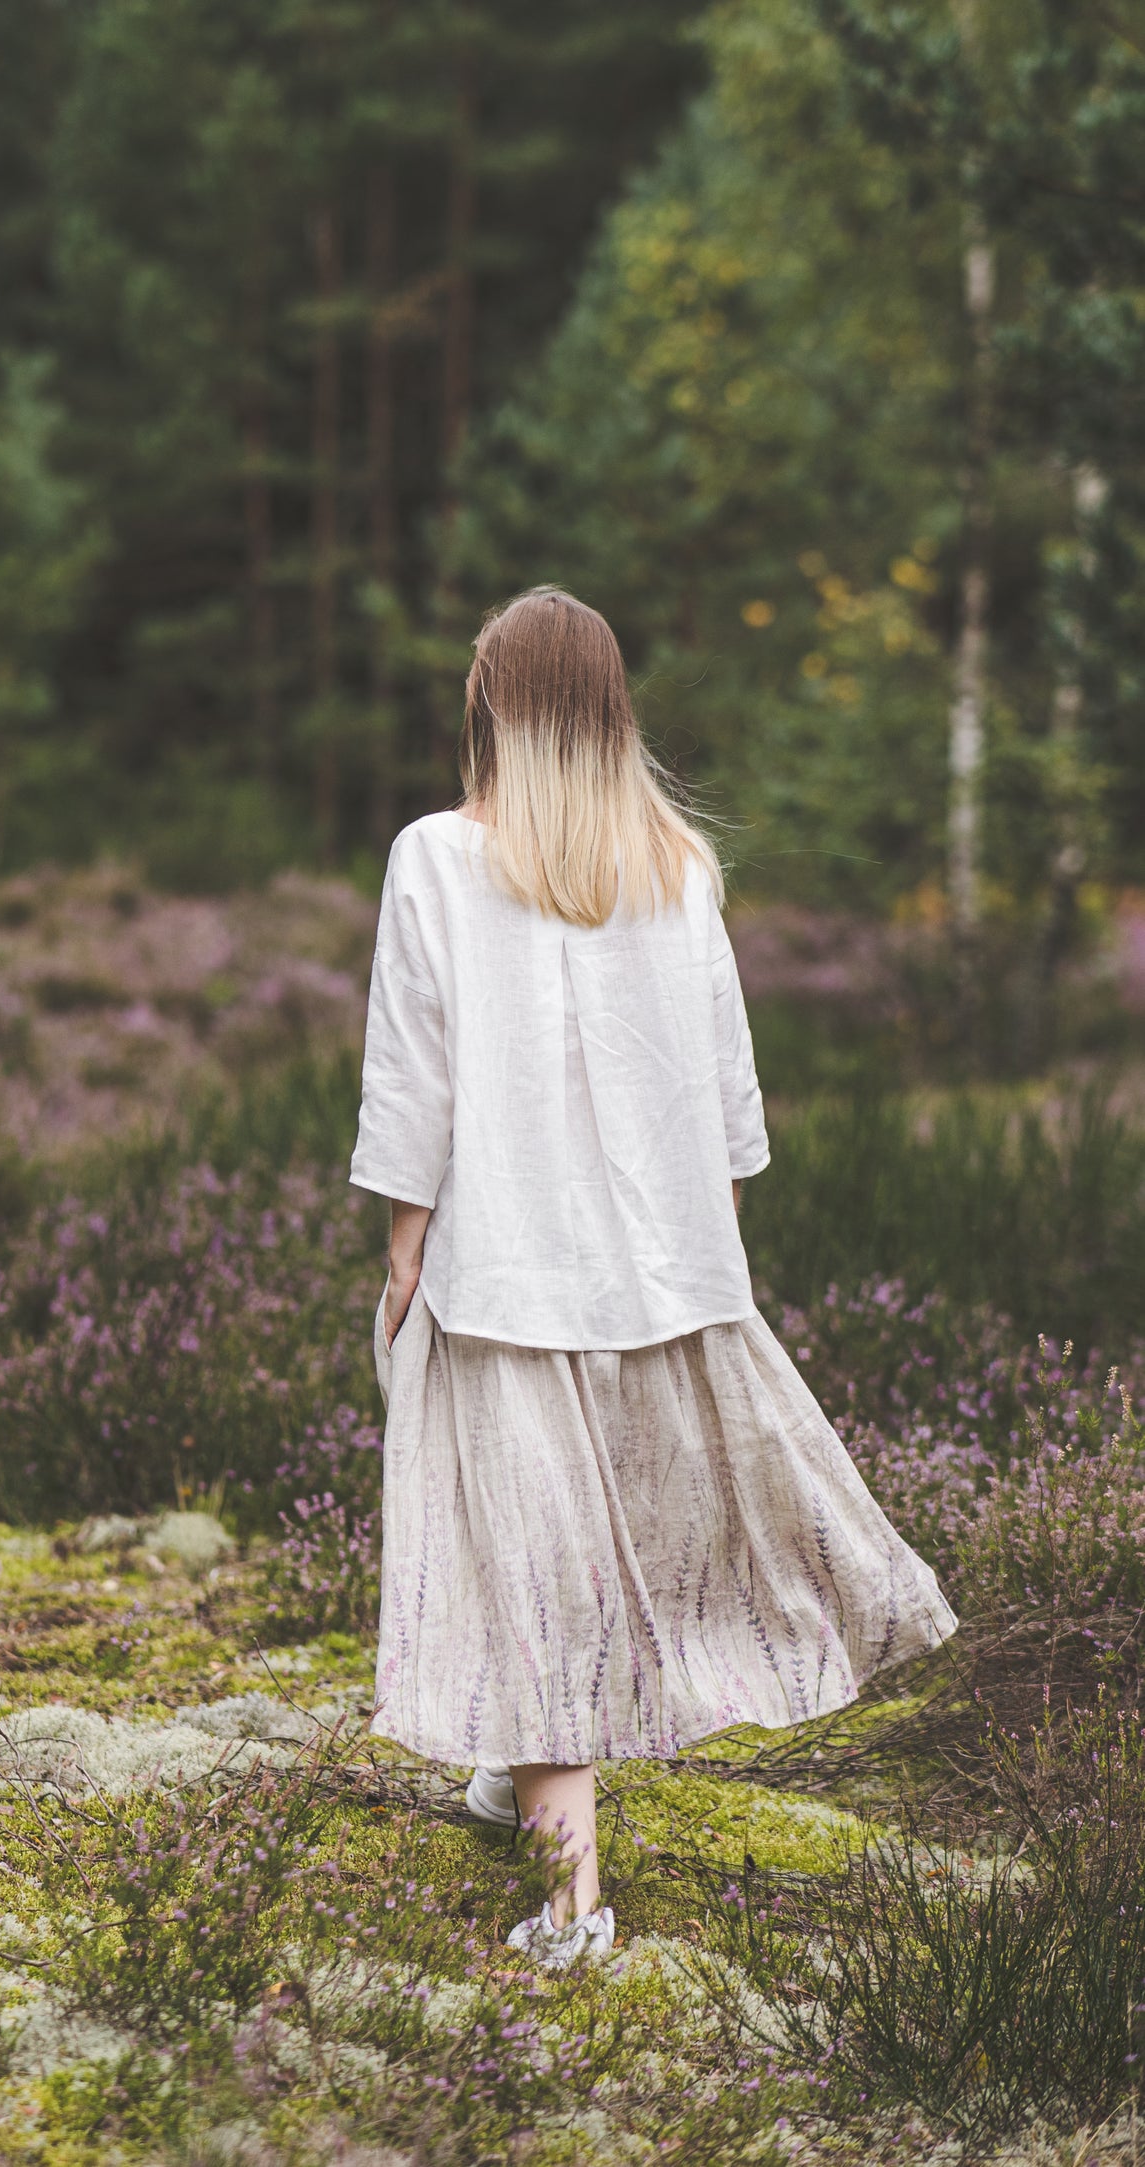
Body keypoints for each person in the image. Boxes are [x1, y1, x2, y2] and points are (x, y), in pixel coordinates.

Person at [349, 586, 957, 1972]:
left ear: (493, 704)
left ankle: (572, 1913)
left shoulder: (436, 858)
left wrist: (403, 1251)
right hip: (660, 1268)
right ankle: (521, 1772)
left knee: (530, 1564)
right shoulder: (676, 862)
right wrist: (702, 1242)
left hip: (501, 1272)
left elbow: (412, 1077)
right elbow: (724, 1092)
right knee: (637, 1540)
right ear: (611, 710)